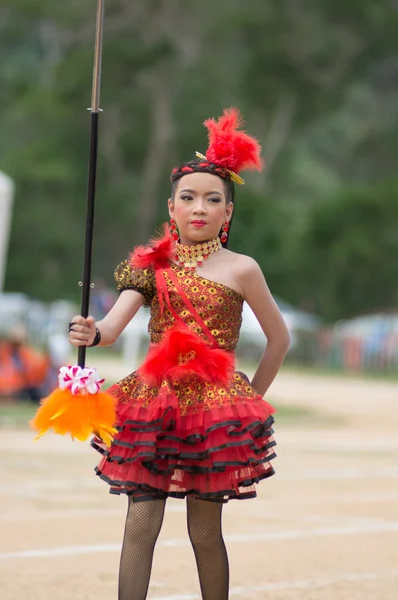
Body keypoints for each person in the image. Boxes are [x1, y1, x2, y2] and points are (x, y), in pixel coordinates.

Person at [68, 108, 290, 600]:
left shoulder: (242, 268)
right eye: (188, 198)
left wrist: (249, 398)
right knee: (140, 525)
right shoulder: (150, 264)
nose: (200, 207)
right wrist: (90, 331)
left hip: (214, 414)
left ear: (227, 213)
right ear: (171, 208)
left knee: (204, 533)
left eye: (213, 200)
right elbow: (111, 327)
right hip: (153, 407)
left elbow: (279, 339)